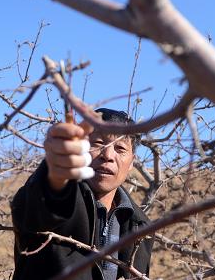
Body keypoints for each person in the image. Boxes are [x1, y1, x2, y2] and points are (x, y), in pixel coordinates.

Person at [11, 108, 153, 280]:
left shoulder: (140, 227)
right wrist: (56, 172)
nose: (107, 155)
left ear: (132, 162)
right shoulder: (60, 199)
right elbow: (35, 210)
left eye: (120, 148)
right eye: (98, 143)